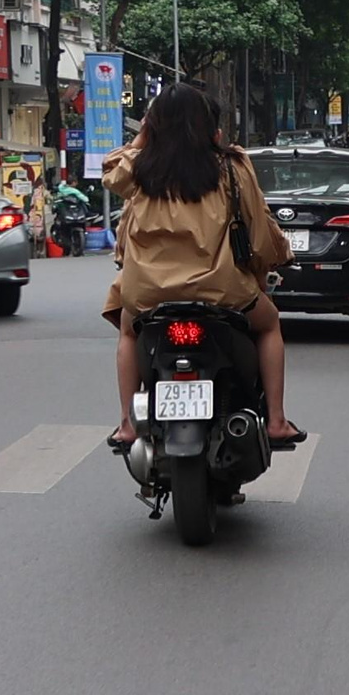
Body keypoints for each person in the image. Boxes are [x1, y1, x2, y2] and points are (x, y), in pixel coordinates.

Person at [100, 82, 302, 453]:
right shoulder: (231, 166)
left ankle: (127, 425)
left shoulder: (140, 172)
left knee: (129, 332)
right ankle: (275, 419)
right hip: (221, 292)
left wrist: (143, 136)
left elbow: (111, 172)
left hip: (149, 294)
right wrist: (268, 265)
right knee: (269, 323)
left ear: (153, 125)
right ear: (209, 125)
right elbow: (258, 233)